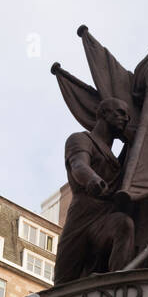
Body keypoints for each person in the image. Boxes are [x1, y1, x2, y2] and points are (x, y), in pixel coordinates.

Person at [53, 97, 136, 285]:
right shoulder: (81, 139)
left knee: (124, 224)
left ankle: (117, 285)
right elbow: (79, 164)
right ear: (104, 113)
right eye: (121, 113)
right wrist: (92, 179)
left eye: (128, 117)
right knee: (62, 281)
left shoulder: (117, 160)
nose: (126, 119)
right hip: (82, 217)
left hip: (105, 219)